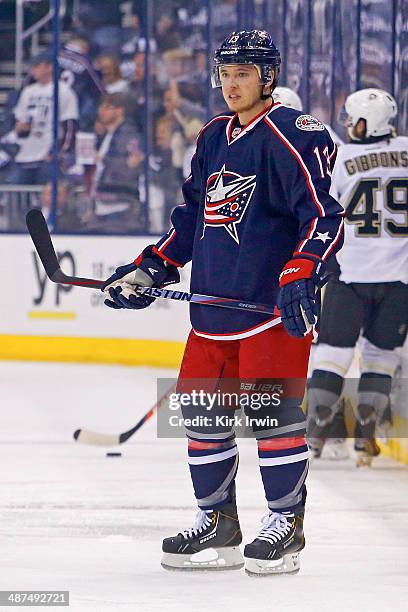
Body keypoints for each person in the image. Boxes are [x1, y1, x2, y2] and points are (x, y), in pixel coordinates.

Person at [101, 30, 344, 575]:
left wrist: (302, 269)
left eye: (242, 74)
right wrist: (152, 266)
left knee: (275, 421)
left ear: (268, 77)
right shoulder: (212, 136)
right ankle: (219, 522)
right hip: (212, 314)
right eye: (225, 74)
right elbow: (189, 219)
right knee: (203, 419)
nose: (231, 85)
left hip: (269, 315)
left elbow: (323, 216)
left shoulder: (293, 134)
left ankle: (286, 524)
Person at [307, 88, 408, 467]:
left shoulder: (341, 158)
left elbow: (322, 212)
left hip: (349, 273)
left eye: (354, 119)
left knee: (332, 355)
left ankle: (316, 434)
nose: (349, 126)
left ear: (368, 122)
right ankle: (365, 438)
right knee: (381, 357)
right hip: (400, 278)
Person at [8, 51, 78, 185]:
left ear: (49, 67)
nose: (32, 70)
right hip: (25, 154)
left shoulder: (64, 91)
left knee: (43, 199)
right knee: (19, 199)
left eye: (36, 66)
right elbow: (19, 121)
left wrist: (59, 152)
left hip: (47, 156)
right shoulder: (28, 91)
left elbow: (70, 125)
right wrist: (20, 128)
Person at [86, 93, 144, 233]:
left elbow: (130, 167)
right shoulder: (108, 135)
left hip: (119, 207)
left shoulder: (127, 134)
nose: (101, 111)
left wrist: (102, 159)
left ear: (119, 111)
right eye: (101, 107)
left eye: (107, 107)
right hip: (103, 206)